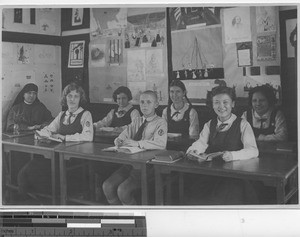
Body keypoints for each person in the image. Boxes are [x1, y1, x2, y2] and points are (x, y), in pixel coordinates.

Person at [17, 83, 93, 200]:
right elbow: (49, 129)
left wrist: (65, 138)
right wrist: (41, 134)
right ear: (65, 97)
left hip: (73, 160)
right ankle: (31, 199)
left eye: (76, 96)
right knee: (26, 170)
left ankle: (46, 199)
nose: (72, 99)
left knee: (35, 171)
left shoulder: (85, 114)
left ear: (80, 98)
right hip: (58, 156)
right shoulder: (62, 114)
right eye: (69, 96)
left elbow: (88, 136)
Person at [186, 86, 259, 205]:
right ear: (212, 105)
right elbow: (201, 142)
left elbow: (253, 150)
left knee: (224, 198)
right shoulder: (210, 124)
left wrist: (233, 155)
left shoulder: (243, 124)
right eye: (217, 103)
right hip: (213, 173)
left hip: (234, 177)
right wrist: (193, 151)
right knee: (194, 196)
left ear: (233, 104)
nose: (221, 106)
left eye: (225, 102)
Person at [102, 90, 167, 205]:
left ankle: (135, 217)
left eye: (148, 102)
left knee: (123, 191)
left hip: (148, 167)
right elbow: (125, 134)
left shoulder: (161, 122)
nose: (145, 105)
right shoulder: (137, 121)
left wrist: (137, 143)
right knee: (107, 186)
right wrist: (119, 140)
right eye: (142, 102)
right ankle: (121, 217)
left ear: (156, 104)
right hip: (130, 164)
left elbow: (160, 143)